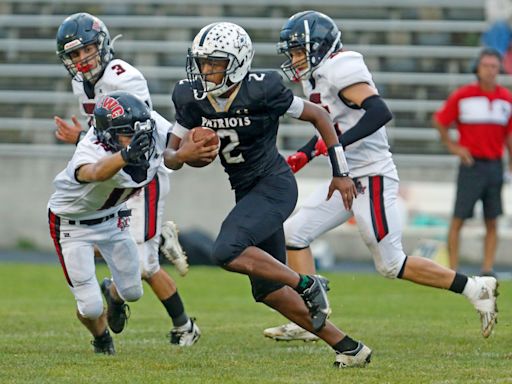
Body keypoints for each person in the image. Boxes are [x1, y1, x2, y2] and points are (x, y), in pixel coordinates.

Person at [263, 10, 499, 343]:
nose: (295, 58)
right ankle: (311, 318)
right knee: (293, 234)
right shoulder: (317, 75)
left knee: (390, 264)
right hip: (347, 175)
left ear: (320, 46)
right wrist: (304, 154)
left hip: (370, 176)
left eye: (300, 50)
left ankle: (475, 287)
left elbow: (378, 111)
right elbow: (335, 125)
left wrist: (335, 148)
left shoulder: (342, 67)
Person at [163, 21, 372, 368]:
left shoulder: (263, 89)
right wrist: (183, 156)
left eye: (215, 62)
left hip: (274, 184)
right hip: (246, 192)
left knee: (225, 249)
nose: (206, 70)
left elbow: (320, 115)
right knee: (269, 292)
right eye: (202, 62)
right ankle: (350, 348)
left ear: (238, 62)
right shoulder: (190, 95)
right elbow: (169, 158)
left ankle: (307, 282)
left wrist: (341, 171)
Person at [53, 13, 200, 347]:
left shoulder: (125, 77)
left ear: (102, 44)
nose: (81, 60)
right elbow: (103, 133)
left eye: (86, 50)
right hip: (118, 171)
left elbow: (140, 141)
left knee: (145, 264)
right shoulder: (82, 83)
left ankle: (182, 324)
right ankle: (148, 261)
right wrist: (82, 140)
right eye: (73, 55)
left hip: (143, 171)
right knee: (135, 264)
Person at [48, 91, 167, 354]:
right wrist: (125, 155)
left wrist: (200, 143)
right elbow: (94, 172)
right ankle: (101, 337)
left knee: (134, 292)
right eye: (127, 134)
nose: (137, 140)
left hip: (113, 219)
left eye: (137, 132)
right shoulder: (89, 150)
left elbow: (177, 148)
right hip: (71, 225)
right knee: (89, 307)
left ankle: (111, 294)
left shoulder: (151, 126)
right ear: (107, 135)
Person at [434, 47, 512, 277]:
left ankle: (487, 269)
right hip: (471, 165)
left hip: (494, 165)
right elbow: (440, 120)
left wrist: (510, 164)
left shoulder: (506, 99)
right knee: (458, 218)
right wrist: (453, 146)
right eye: (486, 66)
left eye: (495, 67)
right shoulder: (463, 95)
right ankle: (453, 270)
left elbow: (509, 136)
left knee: (492, 219)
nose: (491, 71)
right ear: (477, 68)